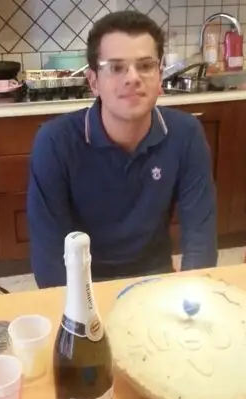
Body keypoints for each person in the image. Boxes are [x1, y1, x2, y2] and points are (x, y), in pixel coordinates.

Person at [27, 10, 218, 289]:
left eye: (145, 65)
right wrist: (77, 305)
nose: (133, 78)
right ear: (94, 82)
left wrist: (190, 296)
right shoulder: (55, 142)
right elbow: (48, 259)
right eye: (116, 68)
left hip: (155, 280)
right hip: (84, 286)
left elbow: (200, 239)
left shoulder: (186, 134)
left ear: (160, 76)